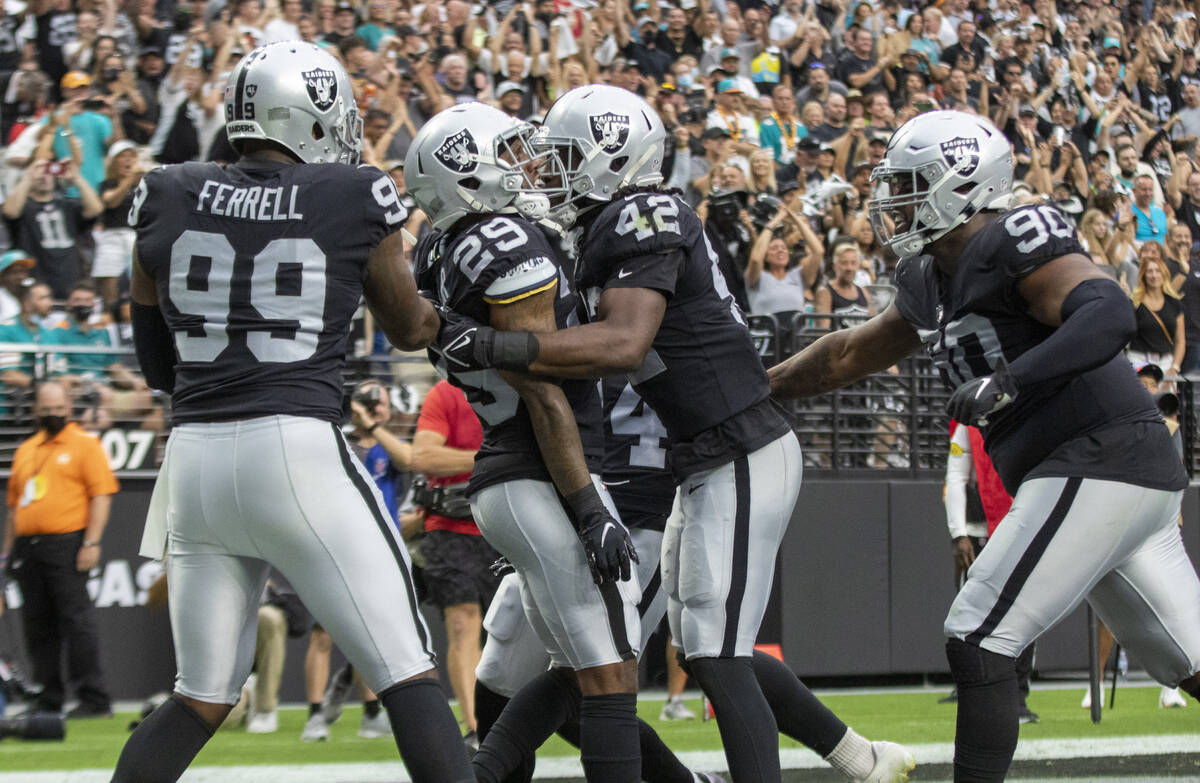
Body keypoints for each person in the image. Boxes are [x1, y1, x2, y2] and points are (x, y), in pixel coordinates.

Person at [445, 84, 913, 783]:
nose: (552, 171)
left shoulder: (642, 211)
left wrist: (492, 345)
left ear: (615, 157)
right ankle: (855, 759)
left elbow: (624, 343)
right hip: (701, 456)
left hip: (737, 450)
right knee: (687, 649)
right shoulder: (604, 227)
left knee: (709, 654)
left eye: (568, 157)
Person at [769, 110, 1200, 782]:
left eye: (912, 184)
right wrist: (756, 389)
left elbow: (1109, 312)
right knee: (1189, 661)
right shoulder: (926, 275)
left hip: (1098, 457)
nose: (894, 200)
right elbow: (846, 353)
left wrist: (1010, 380)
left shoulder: (1012, 237)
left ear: (961, 182)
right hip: (1116, 473)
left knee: (978, 631)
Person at [112, 43, 472, 783]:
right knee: (406, 668)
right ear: (302, 116)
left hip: (196, 462)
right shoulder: (353, 193)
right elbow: (410, 329)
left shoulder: (166, 191)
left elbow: (156, 366)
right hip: (295, 447)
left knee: (200, 695)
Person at [406, 101, 644, 783]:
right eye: (507, 153)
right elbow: (541, 387)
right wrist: (589, 505)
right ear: (468, 174)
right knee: (608, 669)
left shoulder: (443, 244)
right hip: (543, 467)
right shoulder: (506, 240)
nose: (527, 165)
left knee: (569, 664)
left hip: (506, 471)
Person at [1, 380, 118, 718]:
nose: (52, 414)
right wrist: (6, 555)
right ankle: (48, 697)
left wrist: (92, 541)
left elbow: (101, 495)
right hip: (28, 547)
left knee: (77, 622)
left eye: (57, 409)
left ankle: (93, 699)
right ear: (36, 410)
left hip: (67, 543)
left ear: (68, 408)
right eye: (46, 409)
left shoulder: (85, 445)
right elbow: (13, 508)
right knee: (37, 626)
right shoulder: (27, 450)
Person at [410, 378, 495, 741]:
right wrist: (493, 458)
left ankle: (500, 725)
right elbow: (424, 456)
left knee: (508, 634)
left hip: (505, 527)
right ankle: (476, 728)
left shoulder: (516, 385)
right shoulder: (445, 392)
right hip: (450, 528)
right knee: (463, 625)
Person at [943, 422, 1038, 725]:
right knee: (971, 617)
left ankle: (1018, 696)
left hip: (1019, 528)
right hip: (977, 531)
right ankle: (974, 693)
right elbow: (957, 476)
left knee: (1022, 615)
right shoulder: (968, 427)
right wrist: (959, 533)